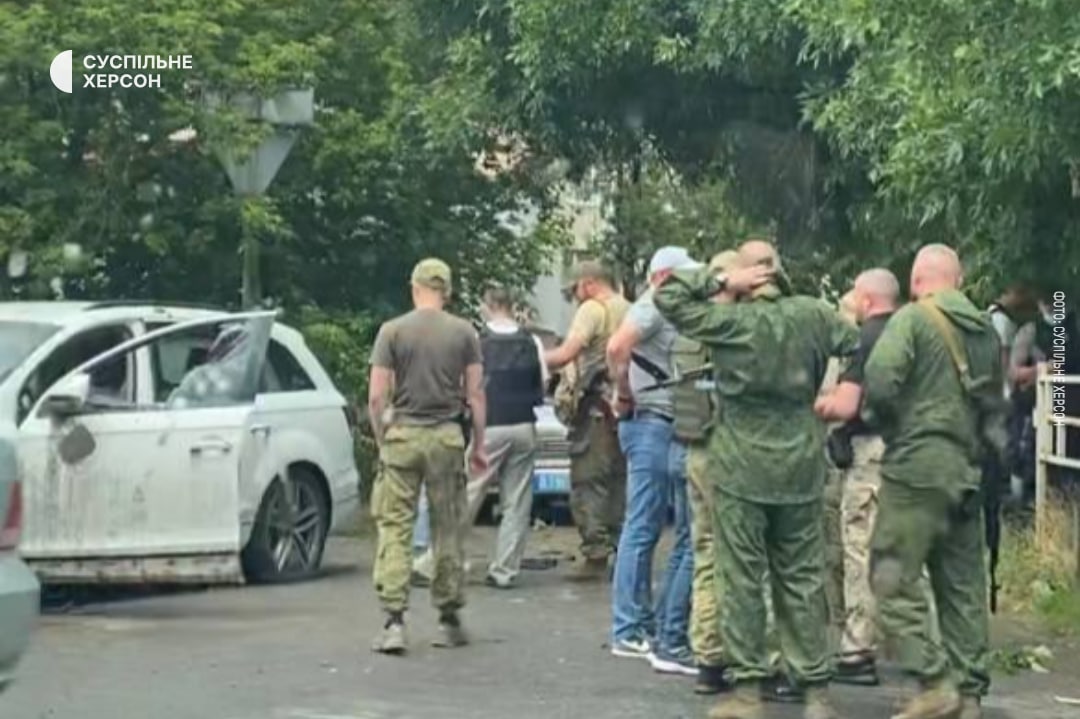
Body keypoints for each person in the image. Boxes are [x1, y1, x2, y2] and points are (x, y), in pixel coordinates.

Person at [655, 239, 858, 719]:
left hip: (740, 467)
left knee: (741, 577)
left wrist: (721, 279)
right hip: (800, 465)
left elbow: (667, 296)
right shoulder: (814, 315)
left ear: (750, 276)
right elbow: (865, 344)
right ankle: (815, 692)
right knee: (803, 577)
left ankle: (747, 691)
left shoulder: (730, 323)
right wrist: (851, 389)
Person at [862, 244, 1004, 719]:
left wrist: (893, 425)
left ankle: (934, 679)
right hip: (967, 469)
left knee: (890, 576)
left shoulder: (912, 319)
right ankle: (969, 694)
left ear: (916, 280)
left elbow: (880, 379)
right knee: (962, 585)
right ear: (958, 281)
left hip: (917, 468)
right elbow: (993, 402)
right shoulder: (986, 330)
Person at [367, 258, 487, 655]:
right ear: (446, 291)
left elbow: (377, 396)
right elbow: (475, 394)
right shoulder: (464, 332)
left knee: (396, 526)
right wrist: (479, 445)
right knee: (447, 527)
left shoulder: (392, 331)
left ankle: (394, 621)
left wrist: (382, 438)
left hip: (403, 436)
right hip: (446, 438)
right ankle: (448, 620)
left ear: (414, 287)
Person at [411, 285, 548, 589]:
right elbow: (543, 383)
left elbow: (466, 387)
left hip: (491, 426)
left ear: (488, 306)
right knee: (517, 503)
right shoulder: (532, 341)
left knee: (468, 495)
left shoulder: (476, 341)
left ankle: (435, 562)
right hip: (525, 425)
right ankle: (504, 571)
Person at [604, 246, 697, 672]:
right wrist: (624, 393)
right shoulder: (653, 305)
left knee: (649, 525)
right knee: (642, 525)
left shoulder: (659, 304)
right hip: (650, 422)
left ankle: (641, 624)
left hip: (656, 423)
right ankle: (628, 628)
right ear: (662, 278)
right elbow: (616, 347)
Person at [814, 269, 900, 687]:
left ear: (865, 300)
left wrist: (817, 404)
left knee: (860, 548)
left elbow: (847, 406)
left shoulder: (864, 341)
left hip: (868, 453)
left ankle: (857, 650)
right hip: (909, 453)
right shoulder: (913, 333)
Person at [672, 249, 739, 694]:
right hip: (731, 450)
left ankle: (708, 658)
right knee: (751, 556)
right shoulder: (734, 328)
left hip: (695, 449)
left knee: (706, 554)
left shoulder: (689, 328)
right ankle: (761, 658)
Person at [545, 260, 630, 579]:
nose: (575, 297)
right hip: (625, 410)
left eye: (575, 289)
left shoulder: (593, 310)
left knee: (587, 482)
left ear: (589, 283)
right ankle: (623, 552)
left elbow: (567, 353)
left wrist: (532, 356)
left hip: (594, 412)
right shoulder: (631, 309)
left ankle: (595, 554)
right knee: (619, 482)